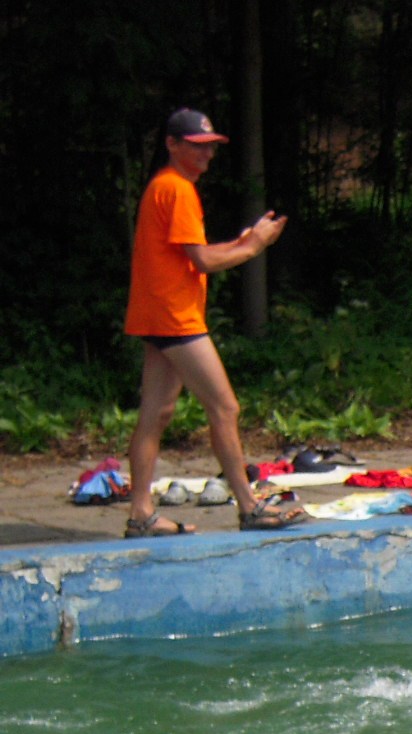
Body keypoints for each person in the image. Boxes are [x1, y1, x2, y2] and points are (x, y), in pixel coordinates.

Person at [122, 108, 306, 537]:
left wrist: (243, 242)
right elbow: (203, 260)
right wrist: (253, 246)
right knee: (224, 408)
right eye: (197, 146)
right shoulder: (177, 189)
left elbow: (191, 254)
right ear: (172, 144)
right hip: (175, 318)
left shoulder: (164, 186)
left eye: (210, 147)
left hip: (159, 313)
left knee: (156, 413)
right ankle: (249, 507)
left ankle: (141, 514)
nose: (206, 154)